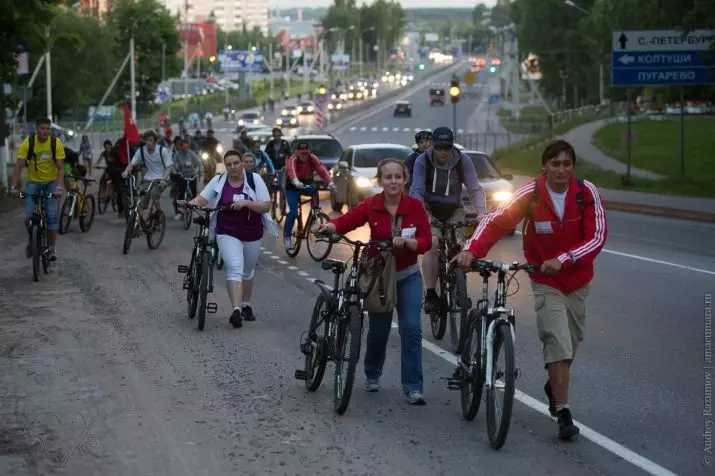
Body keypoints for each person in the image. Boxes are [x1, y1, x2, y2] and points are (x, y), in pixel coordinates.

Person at [455, 139, 608, 440]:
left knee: (571, 344)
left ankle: (554, 385)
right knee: (558, 342)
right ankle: (563, 412)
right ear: (545, 167)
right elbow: (496, 221)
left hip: (577, 282)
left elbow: (597, 237)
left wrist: (564, 260)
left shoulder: (585, 193)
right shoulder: (533, 193)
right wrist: (472, 250)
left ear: (572, 167)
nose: (561, 170)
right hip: (544, 280)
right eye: (555, 164)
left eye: (566, 164)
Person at [314, 159, 432, 405]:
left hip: (408, 274)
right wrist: (329, 226)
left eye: (398, 177)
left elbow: (426, 241)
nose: (393, 181)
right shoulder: (372, 205)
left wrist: (409, 243)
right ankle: (372, 373)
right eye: (388, 177)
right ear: (380, 180)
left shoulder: (415, 207)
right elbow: (348, 220)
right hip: (378, 277)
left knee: (411, 329)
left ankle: (413, 387)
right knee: (379, 331)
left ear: (405, 179)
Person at [179, 149, 279, 327]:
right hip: (227, 231)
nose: (233, 167)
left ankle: (245, 304)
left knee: (247, 272)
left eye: (236, 163)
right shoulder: (219, 180)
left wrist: (247, 203)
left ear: (242, 163)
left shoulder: (255, 180)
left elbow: (266, 206)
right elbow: (203, 199)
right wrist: (189, 204)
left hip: (252, 233)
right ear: (225, 166)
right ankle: (236, 311)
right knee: (234, 267)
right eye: (229, 164)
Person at [409, 126, 487, 314]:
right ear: (433, 146)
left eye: (447, 147)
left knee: (461, 245)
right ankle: (430, 294)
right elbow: (416, 190)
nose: (443, 152)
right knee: (433, 243)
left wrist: (481, 212)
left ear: (452, 146)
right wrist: (422, 215)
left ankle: (460, 285)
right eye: (438, 147)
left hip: (454, 209)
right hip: (429, 210)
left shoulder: (463, 160)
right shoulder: (423, 160)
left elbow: (474, 188)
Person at [10, 117, 66, 261]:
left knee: (52, 215)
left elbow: (60, 168)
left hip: (51, 183)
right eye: (42, 128)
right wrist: (14, 187)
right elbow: (18, 166)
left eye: (48, 128)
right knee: (28, 216)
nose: (45, 131)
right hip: (33, 183)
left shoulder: (55, 143)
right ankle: (33, 241)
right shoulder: (28, 143)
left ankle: (52, 249)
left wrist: (58, 187)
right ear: (36, 129)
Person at [283, 141, 334, 250]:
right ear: (297, 153)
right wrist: (296, 182)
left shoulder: (312, 158)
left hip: (306, 184)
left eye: (306, 153)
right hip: (292, 187)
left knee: (314, 190)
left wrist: (330, 182)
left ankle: (314, 217)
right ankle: (287, 238)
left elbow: (322, 170)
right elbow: (291, 171)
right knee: (292, 212)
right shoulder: (293, 159)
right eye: (302, 153)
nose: (304, 156)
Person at [121, 130, 174, 214]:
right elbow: (132, 164)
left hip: (162, 178)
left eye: (150, 140)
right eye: (146, 140)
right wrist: (126, 171)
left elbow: (169, 167)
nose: (148, 143)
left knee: (154, 193)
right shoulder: (141, 151)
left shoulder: (162, 150)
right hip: (148, 178)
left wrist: (164, 179)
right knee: (141, 197)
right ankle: (137, 221)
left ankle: (158, 213)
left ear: (155, 141)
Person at [170, 138, 203, 220]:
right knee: (182, 191)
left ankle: (193, 207)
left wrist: (200, 172)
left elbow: (198, 163)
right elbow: (174, 164)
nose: (185, 149)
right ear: (181, 147)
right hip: (182, 175)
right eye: (183, 147)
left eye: (187, 147)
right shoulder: (177, 154)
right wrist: (176, 170)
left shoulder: (192, 154)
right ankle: (180, 211)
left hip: (192, 175)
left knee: (194, 191)